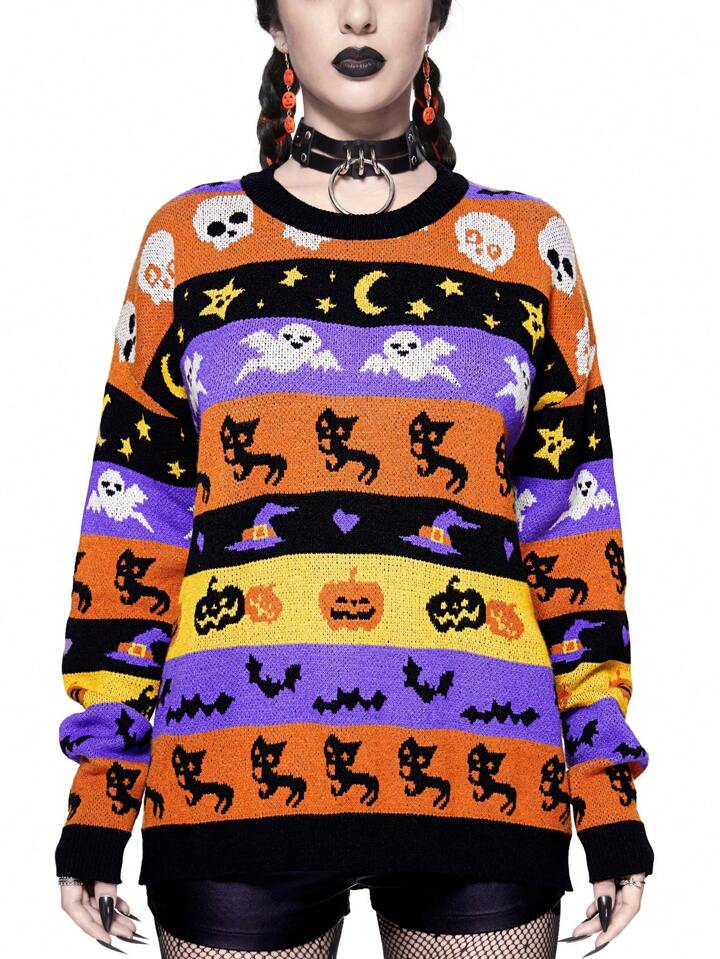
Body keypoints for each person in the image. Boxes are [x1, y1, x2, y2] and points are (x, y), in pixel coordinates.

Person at [56, 2, 655, 957]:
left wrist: (609, 801)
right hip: (230, 780)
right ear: (272, 18)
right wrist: (99, 801)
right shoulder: (190, 245)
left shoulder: (526, 246)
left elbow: (574, 539)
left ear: (437, 14)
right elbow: (132, 532)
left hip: (488, 780)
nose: (359, 13)